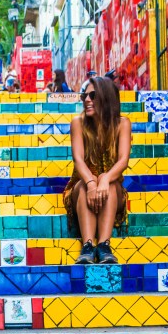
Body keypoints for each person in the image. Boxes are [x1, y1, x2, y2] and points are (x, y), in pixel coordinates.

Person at [64, 77, 132, 265]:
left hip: (111, 190)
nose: (87, 100)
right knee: (87, 185)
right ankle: (87, 246)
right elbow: (78, 159)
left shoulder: (122, 124)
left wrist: (105, 179)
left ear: (106, 97)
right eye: (84, 95)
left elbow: (123, 160)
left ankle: (103, 245)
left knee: (109, 184)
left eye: (93, 96)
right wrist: (92, 182)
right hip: (82, 186)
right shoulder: (78, 123)